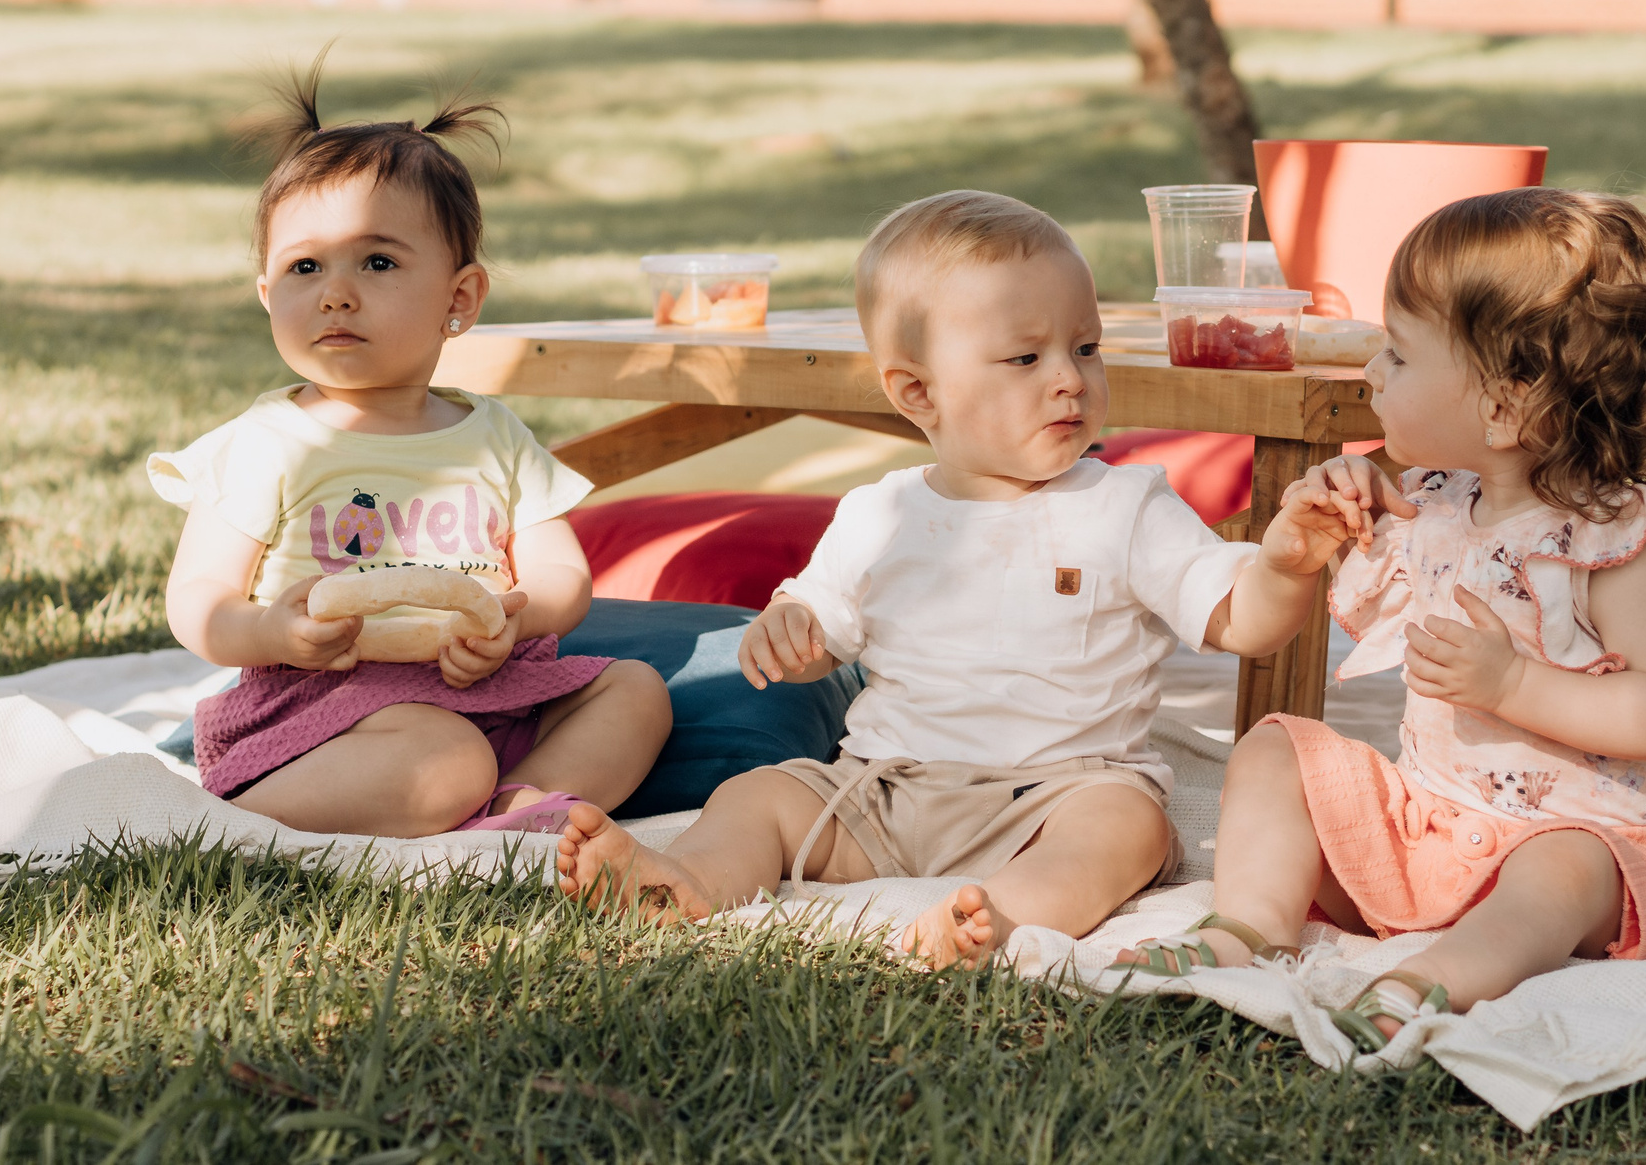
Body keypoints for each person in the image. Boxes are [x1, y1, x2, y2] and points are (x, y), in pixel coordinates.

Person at [552, 190, 1356, 969]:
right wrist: (788, 629)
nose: (1069, 378)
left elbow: (1243, 624)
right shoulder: (883, 511)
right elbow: (818, 629)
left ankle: (1002, 914)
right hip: (884, 789)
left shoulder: (1126, 504)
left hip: (1057, 793)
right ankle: (688, 878)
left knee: (1127, 826)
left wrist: (1282, 565)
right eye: (1025, 357)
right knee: (760, 794)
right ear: (917, 392)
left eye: (1085, 347)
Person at [1114, 189, 1646, 1051]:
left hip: (1573, 850)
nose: (1371, 374)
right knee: (1277, 746)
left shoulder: (1613, 543)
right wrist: (1324, 524)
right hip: (1426, 829)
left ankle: (1438, 977)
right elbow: (1368, 574)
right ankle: (1247, 926)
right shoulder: (1436, 504)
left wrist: (1516, 683)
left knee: (1560, 868)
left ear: (1503, 407)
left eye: (1397, 354)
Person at [149, 68, 670, 838]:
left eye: (378, 262)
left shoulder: (494, 436)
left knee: (637, 691)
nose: (335, 292)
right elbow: (197, 598)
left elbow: (561, 575)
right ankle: (235, 822)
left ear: (458, 299)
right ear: (268, 293)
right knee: (446, 757)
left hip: (492, 685)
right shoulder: (267, 443)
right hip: (329, 713)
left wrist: (510, 624)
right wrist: (273, 633)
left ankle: (520, 809)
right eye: (305, 266)